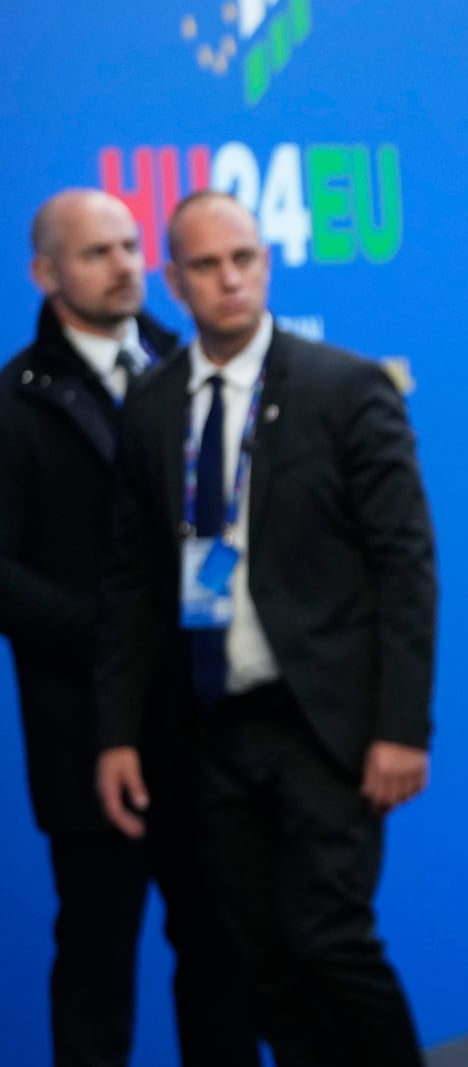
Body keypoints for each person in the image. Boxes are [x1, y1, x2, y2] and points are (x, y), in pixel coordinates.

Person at [94, 189, 438, 1067]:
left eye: (244, 258)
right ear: (173, 280)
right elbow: (131, 584)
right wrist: (117, 733)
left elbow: (405, 565)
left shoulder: (344, 387)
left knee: (330, 938)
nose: (230, 279)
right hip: (209, 727)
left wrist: (401, 727)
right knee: (256, 957)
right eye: (207, 266)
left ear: (267, 263)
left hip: (324, 722)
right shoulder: (151, 405)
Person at [0, 189, 257, 1067]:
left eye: (130, 245)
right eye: (95, 252)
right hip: (86, 734)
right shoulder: (14, 401)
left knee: (221, 955)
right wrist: (119, 638)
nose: (122, 267)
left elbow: (223, 522)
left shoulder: (188, 367)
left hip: (204, 724)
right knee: (97, 964)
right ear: (45, 273)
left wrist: (210, 611)